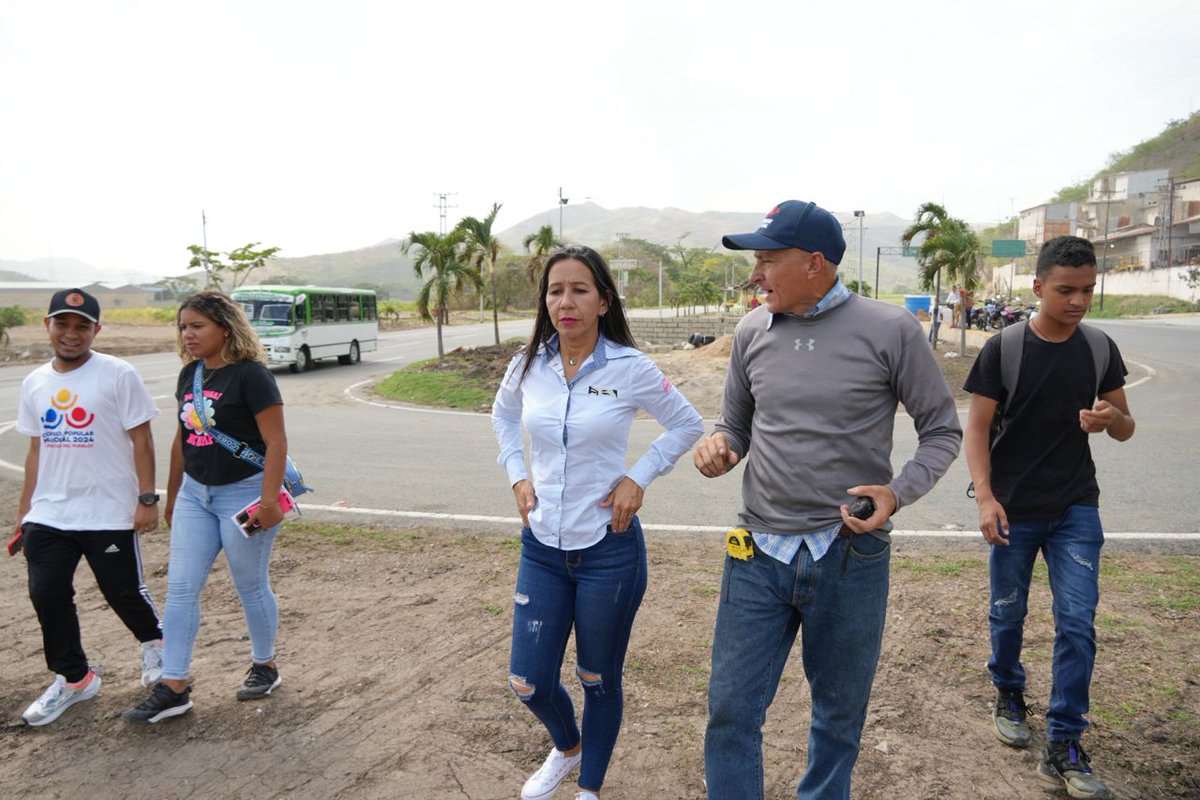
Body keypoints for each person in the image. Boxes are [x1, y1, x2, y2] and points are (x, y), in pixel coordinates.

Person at [693, 200, 962, 800]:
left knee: (838, 720)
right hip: (756, 553)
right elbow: (734, 425)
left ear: (815, 263)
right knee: (731, 712)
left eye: (767, 260)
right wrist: (718, 446)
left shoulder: (891, 329)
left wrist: (898, 492)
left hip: (848, 556)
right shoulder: (749, 332)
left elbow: (942, 430)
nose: (754, 274)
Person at [492, 245, 703, 800]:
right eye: (556, 290)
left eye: (580, 290)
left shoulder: (630, 368)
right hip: (541, 546)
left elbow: (686, 424)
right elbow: (504, 416)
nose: (566, 301)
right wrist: (517, 474)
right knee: (528, 681)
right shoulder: (528, 363)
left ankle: (589, 789)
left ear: (603, 301)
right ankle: (569, 749)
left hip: (608, 550)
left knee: (597, 677)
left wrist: (639, 477)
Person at [964, 235, 1134, 799]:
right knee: (1008, 614)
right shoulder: (1004, 349)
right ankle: (1008, 689)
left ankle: (1063, 742)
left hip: (1075, 508)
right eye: (1066, 290)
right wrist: (986, 498)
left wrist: (1109, 417)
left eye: (1088, 289)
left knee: (1078, 623)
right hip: (1013, 509)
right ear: (1037, 287)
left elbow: (1127, 425)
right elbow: (977, 429)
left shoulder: (1098, 347)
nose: (1079, 301)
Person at [122, 291, 290, 724]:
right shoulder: (190, 375)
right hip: (197, 495)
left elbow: (276, 442)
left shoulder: (252, 376)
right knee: (180, 588)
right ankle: (174, 685)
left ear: (225, 328)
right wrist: (174, 496)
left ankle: (264, 665)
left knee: (250, 585)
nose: (188, 334)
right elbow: (182, 439)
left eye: (197, 326)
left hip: (245, 496)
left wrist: (269, 502)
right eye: (183, 326)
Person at [14, 288, 164, 727]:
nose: (72, 334)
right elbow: (36, 450)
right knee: (46, 593)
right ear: (48, 326)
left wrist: (147, 499)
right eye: (63, 323)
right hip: (50, 512)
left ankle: (156, 644)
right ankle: (75, 678)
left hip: (108, 510)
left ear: (97, 330)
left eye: (82, 326)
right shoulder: (35, 382)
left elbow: (142, 439)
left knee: (122, 592)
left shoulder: (118, 374)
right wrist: (25, 514)